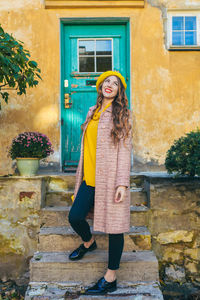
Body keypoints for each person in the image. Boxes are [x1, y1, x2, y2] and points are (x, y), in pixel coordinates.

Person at [68, 70, 132, 295]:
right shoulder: (92, 111)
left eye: (115, 83)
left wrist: (122, 184)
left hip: (111, 179)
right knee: (75, 217)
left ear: (119, 91)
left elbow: (125, 151)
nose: (110, 85)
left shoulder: (122, 114)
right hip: (88, 177)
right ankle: (88, 242)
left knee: (115, 228)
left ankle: (110, 277)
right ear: (100, 86)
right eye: (107, 81)